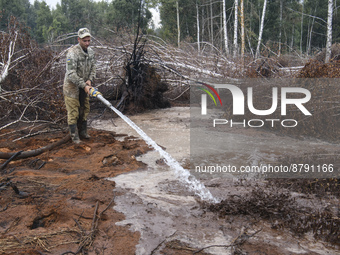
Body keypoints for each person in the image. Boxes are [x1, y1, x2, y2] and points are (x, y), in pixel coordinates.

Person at [63, 28, 96, 144]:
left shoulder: (91, 52)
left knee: (85, 109)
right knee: (73, 112)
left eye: (88, 40)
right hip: (72, 88)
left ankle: (83, 132)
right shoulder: (72, 53)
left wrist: (89, 80)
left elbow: (93, 67)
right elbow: (71, 73)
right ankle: (74, 137)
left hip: (84, 87)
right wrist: (83, 84)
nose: (87, 43)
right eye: (84, 41)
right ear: (78, 39)